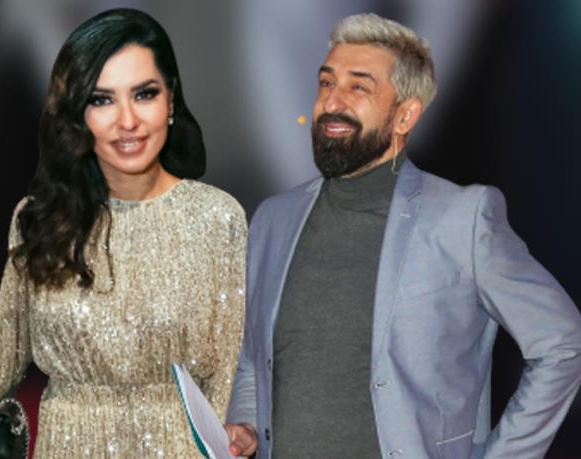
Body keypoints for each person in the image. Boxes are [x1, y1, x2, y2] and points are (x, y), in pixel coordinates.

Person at [225, 12, 581, 459]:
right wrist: (247, 428)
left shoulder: (462, 218)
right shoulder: (273, 219)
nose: (332, 101)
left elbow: (562, 343)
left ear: (405, 115)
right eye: (326, 82)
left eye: (359, 87)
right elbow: (254, 362)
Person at [0, 8, 247, 458]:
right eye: (101, 99)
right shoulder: (39, 219)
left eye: (144, 94)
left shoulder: (216, 219)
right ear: (77, 113)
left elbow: (227, 379)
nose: (127, 120)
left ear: (171, 100)